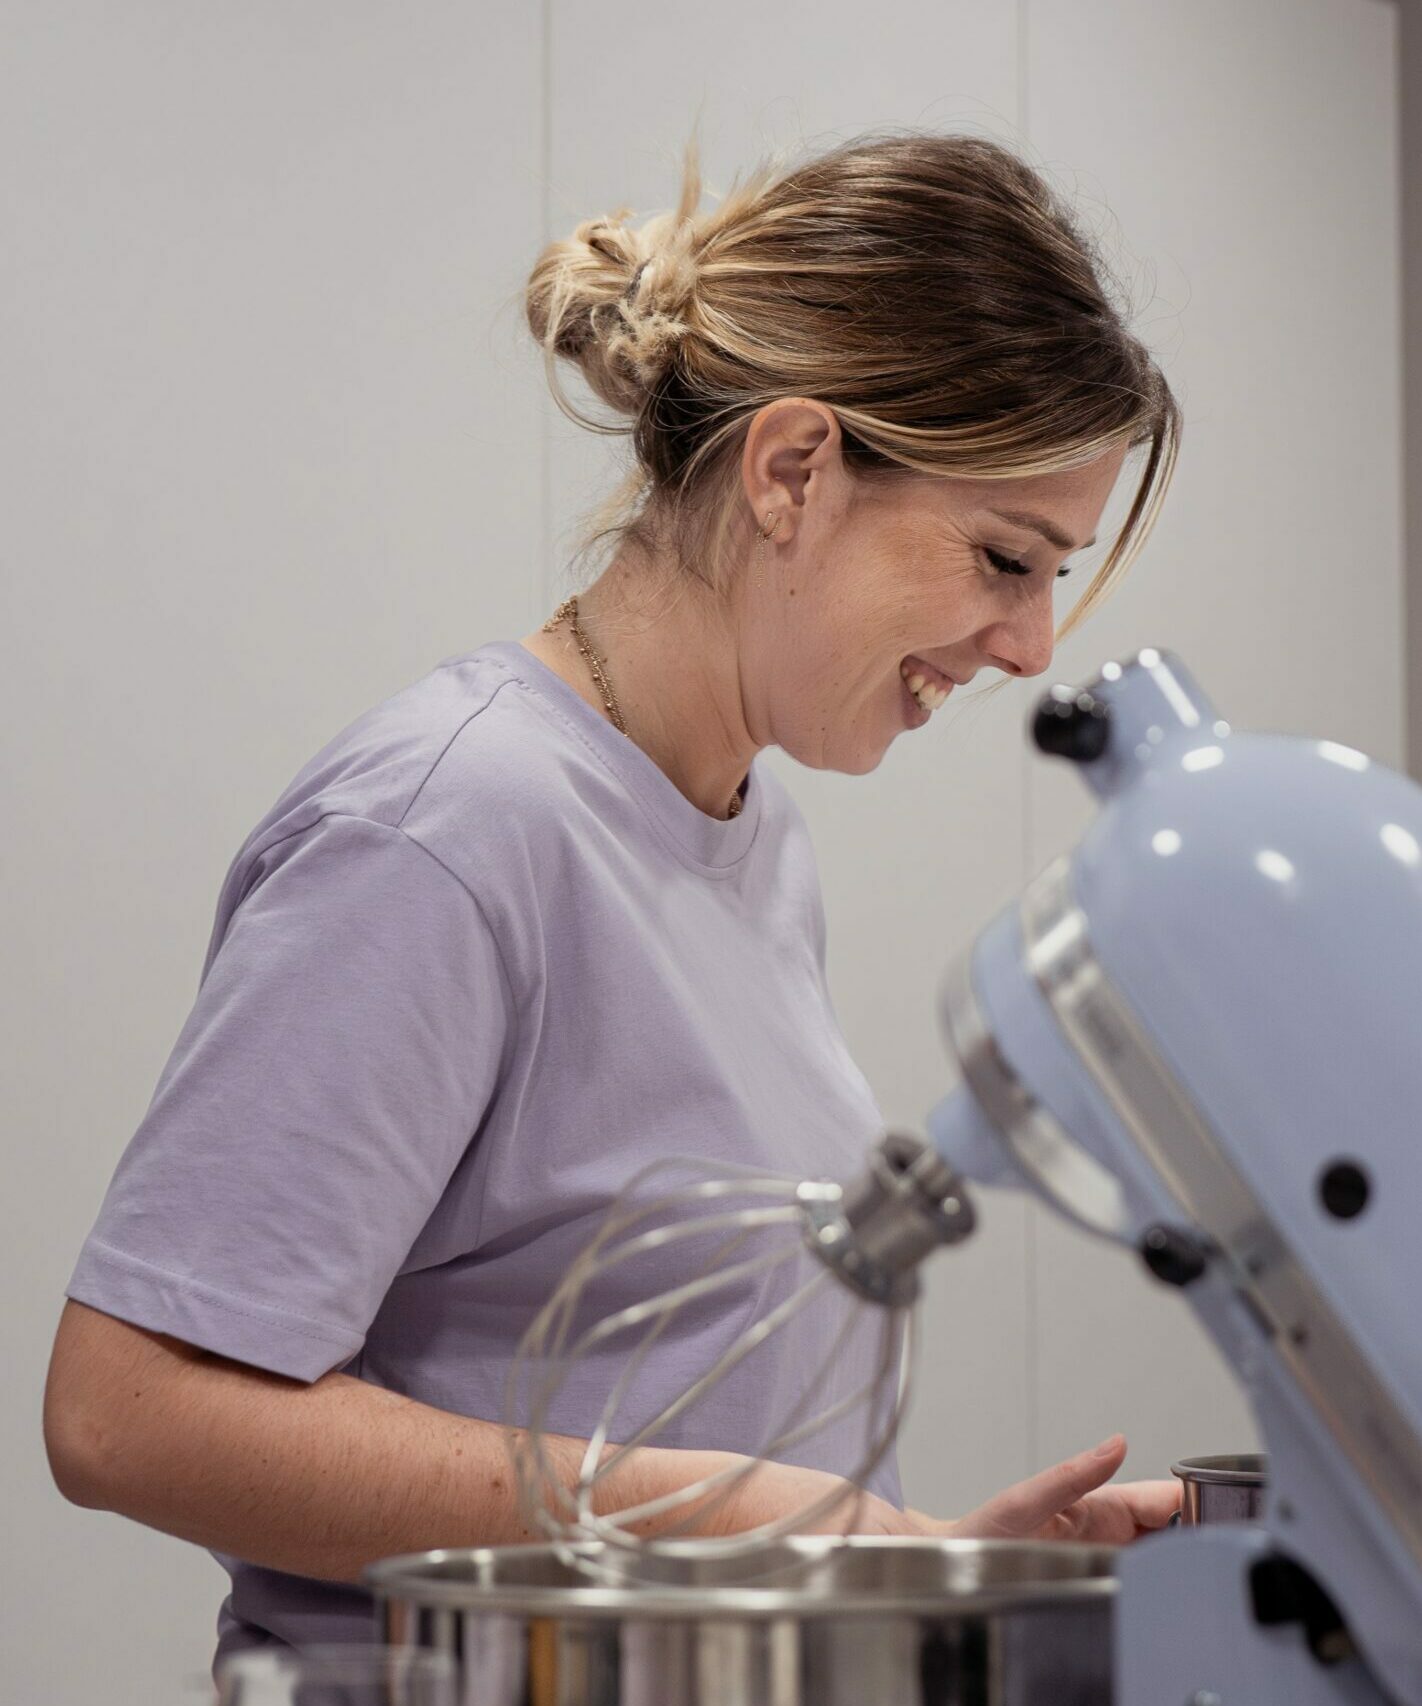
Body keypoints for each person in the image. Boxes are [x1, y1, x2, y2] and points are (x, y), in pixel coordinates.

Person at [42, 125, 1185, 1665]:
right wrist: (735, 1519)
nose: (1033, 647)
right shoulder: (449, 825)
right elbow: (126, 1414)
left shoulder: (746, 834)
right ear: (793, 469)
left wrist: (908, 1568)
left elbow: (641, 1408)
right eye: (1002, 558)